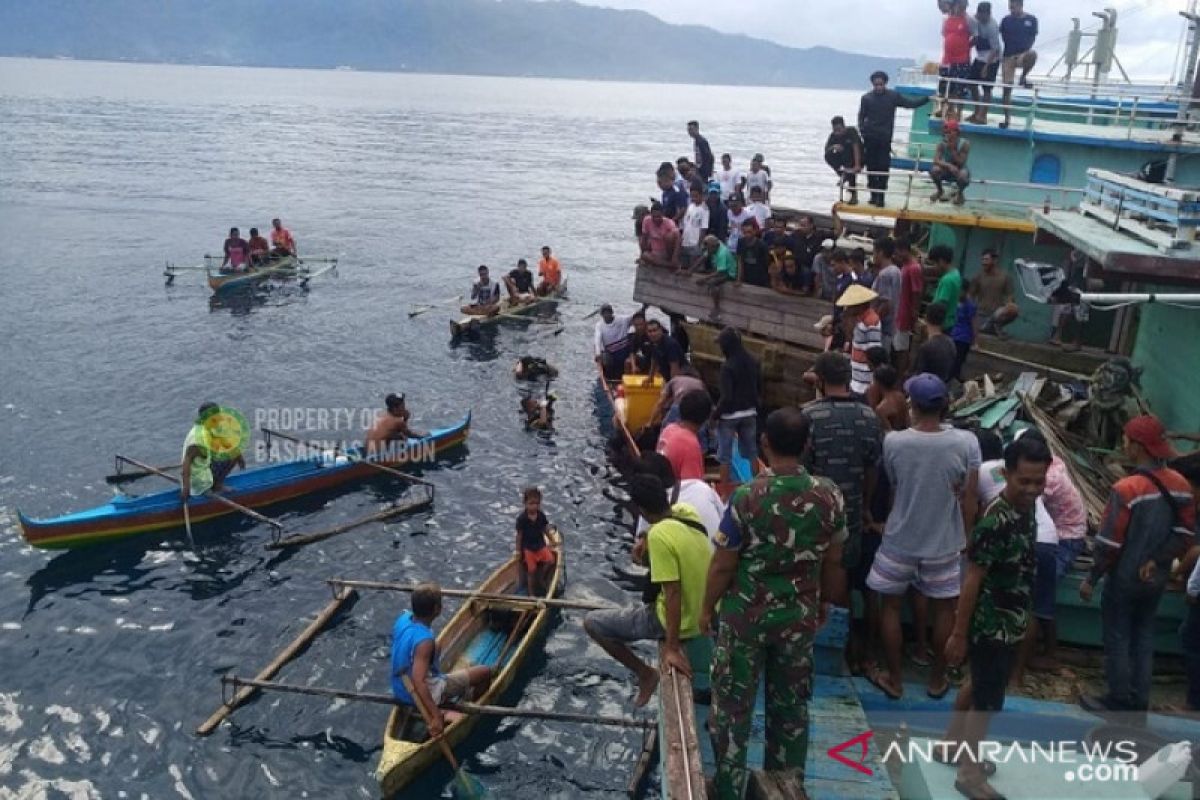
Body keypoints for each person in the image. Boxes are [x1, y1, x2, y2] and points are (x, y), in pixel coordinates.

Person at [703, 407, 848, 799]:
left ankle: (729, 787)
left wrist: (705, 610)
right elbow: (834, 561)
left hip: (745, 620)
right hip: (797, 619)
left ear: (765, 443)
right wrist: (824, 604)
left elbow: (723, 565)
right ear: (807, 445)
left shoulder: (747, 498)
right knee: (790, 709)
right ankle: (785, 784)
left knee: (733, 707)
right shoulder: (830, 496)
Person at [940, 436, 1051, 800]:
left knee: (982, 684)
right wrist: (958, 633)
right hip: (991, 624)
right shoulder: (996, 520)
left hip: (1011, 618)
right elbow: (972, 579)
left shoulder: (1027, 508)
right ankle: (969, 774)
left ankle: (950, 745)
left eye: (1039, 481)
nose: (1033, 489)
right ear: (1006, 474)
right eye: (1025, 481)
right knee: (987, 701)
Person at [866, 373, 980, 701]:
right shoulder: (966, 442)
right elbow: (969, 498)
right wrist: (966, 538)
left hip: (900, 538)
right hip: (945, 542)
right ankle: (936, 680)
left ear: (912, 405)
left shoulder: (895, 442)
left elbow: (896, 485)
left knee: (890, 606)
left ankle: (896, 680)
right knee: (945, 610)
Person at [1079, 415, 1196, 713]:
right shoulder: (1181, 486)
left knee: (1117, 635)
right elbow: (1185, 533)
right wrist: (1157, 560)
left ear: (1137, 447)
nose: (1123, 444)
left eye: (1126, 440)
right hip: (1155, 578)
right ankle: (1140, 698)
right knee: (1144, 634)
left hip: (1124, 577)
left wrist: (1092, 578)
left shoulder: (1126, 489)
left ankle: (1118, 697)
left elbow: (1109, 544)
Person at [583, 474, 712, 706]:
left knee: (593, 623)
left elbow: (673, 593)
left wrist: (672, 648)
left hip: (677, 620)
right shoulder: (687, 513)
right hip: (705, 613)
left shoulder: (660, 537)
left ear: (641, 510)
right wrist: (644, 538)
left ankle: (645, 673)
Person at [802, 353, 883, 674]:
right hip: (850, 515)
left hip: (813, 516)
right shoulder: (869, 417)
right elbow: (872, 468)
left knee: (817, 585)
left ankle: (822, 653)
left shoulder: (808, 416)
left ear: (820, 381)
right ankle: (847, 648)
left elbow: (802, 470)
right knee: (844, 583)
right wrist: (863, 506)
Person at [391, 582, 493, 735]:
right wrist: (435, 715)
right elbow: (419, 682)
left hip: (399, 688)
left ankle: (444, 704)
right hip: (416, 693)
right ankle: (465, 704)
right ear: (437, 610)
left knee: (437, 646)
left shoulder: (404, 619)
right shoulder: (424, 641)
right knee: (485, 672)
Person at [858, 71, 930, 207]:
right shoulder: (866, 98)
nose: (878, 87)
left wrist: (926, 99)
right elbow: (861, 116)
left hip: (885, 138)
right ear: (872, 84)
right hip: (870, 138)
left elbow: (910, 104)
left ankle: (881, 197)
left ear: (885, 83)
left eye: (881, 84)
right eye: (876, 84)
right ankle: (873, 195)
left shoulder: (893, 96)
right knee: (871, 167)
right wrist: (863, 131)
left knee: (883, 167)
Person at [633, 452, 726, 547]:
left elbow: (640, 552)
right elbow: (724, 516)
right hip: (724, 553)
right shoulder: (701, 487)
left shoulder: (651, 511)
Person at [712, 327, 760, 485]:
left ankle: (724, 491)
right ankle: (756, 486)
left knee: (724, 456)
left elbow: (727, 397)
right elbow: (758, 388)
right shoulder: (753, 361)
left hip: (730, 417)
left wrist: (715, 416)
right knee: (752, 453)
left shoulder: (727, 366)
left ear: (726, 345)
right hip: (750, 413)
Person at [181, 401, 245, 501]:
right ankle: (210, 487)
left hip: (203, 467)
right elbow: (187, 462)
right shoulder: (199, 437)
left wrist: (239, 456)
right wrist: (186, 488)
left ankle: (215, 485)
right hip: (199, 480)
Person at [1000, 0, 1039, 129]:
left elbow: (1033, 36)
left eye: (1014, 7)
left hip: (1023, 54)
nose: (1011, 10)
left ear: (1020, 6)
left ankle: (1023, 77)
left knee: (1032, 54)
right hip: (1008, 56)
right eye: (1010, 7)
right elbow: (1003, 35)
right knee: (1007, 89)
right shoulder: (1006, 20)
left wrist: (1025, 48)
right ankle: (1007, 119)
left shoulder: (1031, 20)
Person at [656, 391, 711, 482]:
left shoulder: (669, 429)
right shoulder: (690, 444)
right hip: (674, 493)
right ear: (706, 418)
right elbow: (692, 486)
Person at [838, 284, 883, 396]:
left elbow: (874, 352)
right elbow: (852, 339)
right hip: (856, 378)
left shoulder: (871, 320)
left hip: (865, 382)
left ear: (859, 305)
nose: (848, 308)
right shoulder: (859, 320)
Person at [515, 487, 557, 596]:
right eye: (531, 503)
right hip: (528, 548)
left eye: (537, 503)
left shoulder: (541, 516)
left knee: (550, 561)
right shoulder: (522, 519)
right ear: (525, 503)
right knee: (531, 571)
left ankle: (541, 578)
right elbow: (519, 536)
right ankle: (531, 593)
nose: (534, 506)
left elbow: (545, 529)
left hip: (540, 545)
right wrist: (518, 551)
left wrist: (552, 540)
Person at [970, 248, 1020, 337]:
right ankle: (988, 327)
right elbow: (970, 296)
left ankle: (994, 325)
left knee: (1014, 309)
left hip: (996, 315)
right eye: (982, 260)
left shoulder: (1005, 277)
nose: (983, 262)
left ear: (994, 261)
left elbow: (1010, 298)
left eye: (986, 260)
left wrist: (1007, 307)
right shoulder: (978, 277)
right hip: (981, 315)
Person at [967, 1, 1003, 124]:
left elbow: (995, 49)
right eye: (979, 15)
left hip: (992, 57)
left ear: (988, 14)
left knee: (987, 87)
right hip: (980, 55)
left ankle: (983, 116)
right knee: (971, 83)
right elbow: (974, 38)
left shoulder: (993, 26)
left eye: (984, 16)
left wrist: (986, 67)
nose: (981, 18)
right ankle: (976, 112)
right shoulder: (975, 19)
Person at [937, 0, 974, 112]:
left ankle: (958, 112)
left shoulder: (968, 20)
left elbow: (975, 36)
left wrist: (965, 46)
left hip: (962, 59)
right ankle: (945, 109)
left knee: (960, 89)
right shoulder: (946, 19)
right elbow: (944, 34)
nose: (962, 8)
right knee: (945, 86)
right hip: (947, 59)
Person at [365, 393, 425, 458]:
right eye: (403, 406)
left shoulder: (381, 414)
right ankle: (402, 455)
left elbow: (398, 430)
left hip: (367, 452)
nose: (405, 408)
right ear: (395, 409)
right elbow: (409, 434)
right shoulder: (397, 421)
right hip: (378, 456)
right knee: (402, 438)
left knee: (396, 435)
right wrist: (423, 437)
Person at [1050, 249, 1089, 351]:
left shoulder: (1089, 255)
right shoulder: (1078, 252)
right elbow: (1072, 257)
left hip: (1083, 286)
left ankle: (1077, 343)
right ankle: (1057, 336)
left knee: (1079, 316)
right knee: (1065, 310)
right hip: (1074, 283)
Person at [913, 302, 958, 383]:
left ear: (926, 318)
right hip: (943, 387)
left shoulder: (926, 347)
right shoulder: (951, 343)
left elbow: (918, 376)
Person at [929, 119, 971, 205]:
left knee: (963, 175)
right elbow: (936, 160)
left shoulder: (965, 143)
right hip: (947, 168)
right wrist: (948, 166)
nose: (947, 135)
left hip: (960, 168)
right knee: (934, 170)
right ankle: (940, 190)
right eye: (946, 133)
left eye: (949, 132)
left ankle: (960, 193)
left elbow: (961, 162)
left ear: (956, 132)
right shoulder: (942, 143)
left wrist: (952, 150)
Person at [871, 238, 902, 352]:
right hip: (891, 328)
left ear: (881, 253)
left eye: (874, 252)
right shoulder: (896, 271)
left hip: (881, 329)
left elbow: (886, 304)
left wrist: (872, 323)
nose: (873, 255)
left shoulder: (885, 274)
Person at [825, 116, 864, 204]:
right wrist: (833, 147)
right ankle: (842, 174)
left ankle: (853, 195)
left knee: (850, 164)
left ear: (844, 126)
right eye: (835, 130)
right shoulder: (833, 135)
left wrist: (857, 165)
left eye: (839, 130)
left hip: (858, 158)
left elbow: (856, 148)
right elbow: (826, 149)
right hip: (844, 159)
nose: (837, 132)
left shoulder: (851, 131)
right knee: (828, 155)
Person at [594, 304, 639, 381]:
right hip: (611, 353)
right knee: (605, 360)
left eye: (608, 312)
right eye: (604, 313)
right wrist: (597, 353)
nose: (606, 315)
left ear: (612, 312)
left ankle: (628, 377)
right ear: (602, 315)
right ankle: (609, 378)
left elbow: (635, 316)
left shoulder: (622, 319)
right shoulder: (599, 325)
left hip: (625, 351)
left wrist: (644, 308)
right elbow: (597, 339)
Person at [950, 280, 978, 382]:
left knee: (957, 363)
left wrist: (975, 341)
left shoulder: (970, 305)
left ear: (965, 291)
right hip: (952, 335)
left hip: (963, 338)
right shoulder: (955, 302)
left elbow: (974, 323)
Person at [638, 202, 681, 269]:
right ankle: (669, 265)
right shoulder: (647, 220)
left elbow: (678, 237)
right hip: (655, 252)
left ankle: (669, 262)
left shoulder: (669, 222)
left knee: (670, 236)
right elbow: (644, 238)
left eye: (658, 216)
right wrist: (642, 256)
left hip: (666, 252)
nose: (656, 219)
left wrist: (675, 257)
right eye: (654, 217)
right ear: (651, 215)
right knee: (644, 253)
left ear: (662, 214)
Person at [645, 318, 687, 385]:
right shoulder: (653, 342)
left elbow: (674, 368)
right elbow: (654, 359)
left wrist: (671, 387)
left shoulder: (670, 344)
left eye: (655, 330)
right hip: (667, 375)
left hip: (682, 377)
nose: (653, 334)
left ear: (660, 330)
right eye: (650, 331)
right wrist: (650, 377)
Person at [680, 186, 710, 271]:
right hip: (686, 241)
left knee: (696, 269)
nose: (693, 198)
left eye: (696, 196)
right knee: (684, 267)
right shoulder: (690, 206)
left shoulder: (704, 209)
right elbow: (685, 223)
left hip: (695, 243)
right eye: (692, 196)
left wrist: (699, 245)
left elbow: (704, 228)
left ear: (701, 196)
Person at [872, 365, 910, 432]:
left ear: (878, 383)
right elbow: (908, 422)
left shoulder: (881, 409)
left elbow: (889, 432)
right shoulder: (901, 396)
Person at [736, 219, 770, 288]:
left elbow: (766, 265)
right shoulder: (740, 242)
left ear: (755, 231)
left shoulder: (762, 246)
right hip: (746, 278)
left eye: (749, 232)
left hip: (759, 281)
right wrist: (739, 279)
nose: (747, 235)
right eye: (744, 232)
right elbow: (740, 261)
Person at [929, 244, 963, 311]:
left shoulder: (947, 280)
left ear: (941, 261)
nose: (934, 267)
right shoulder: (956, 273)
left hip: (943, 320)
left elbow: (940, 308)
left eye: (934, 263)